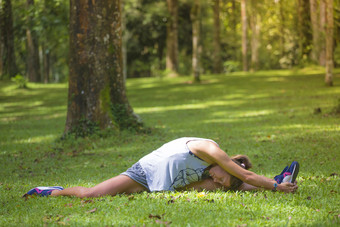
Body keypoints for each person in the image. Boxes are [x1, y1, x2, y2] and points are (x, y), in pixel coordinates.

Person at [24, 137, 299, 198]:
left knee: (235, 187)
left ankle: (279, 180)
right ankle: (51, 192)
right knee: (91, 195)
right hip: (144, 173)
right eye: (222, 178)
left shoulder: (212, 175)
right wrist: (273, 185)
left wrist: (276, 185)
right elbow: (245, 175)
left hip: (163, 186)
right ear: (228, 165)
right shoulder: (209, 150)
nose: (217, 181)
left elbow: (242, 181)